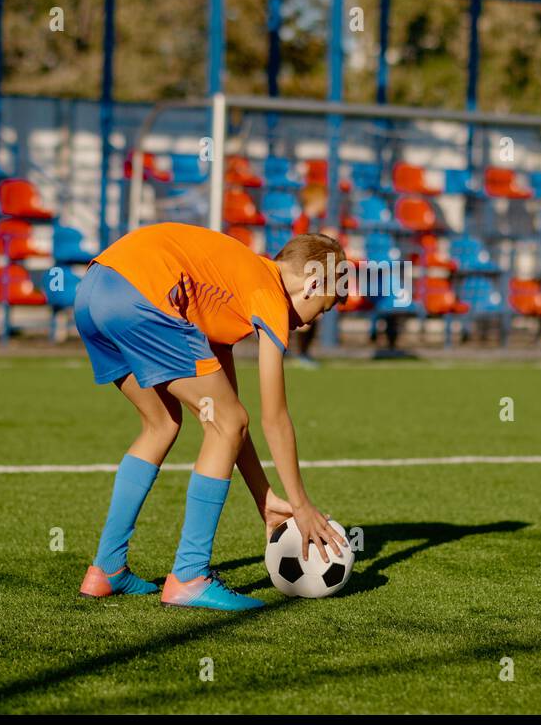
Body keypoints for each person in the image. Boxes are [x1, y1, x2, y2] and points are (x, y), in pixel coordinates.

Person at [73, 222, 348, 611]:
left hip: (94, 291)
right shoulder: (266, 290)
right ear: (312, 287)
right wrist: (301, 505)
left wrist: (264, 499)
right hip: (140, 295)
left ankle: (107, 569)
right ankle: (189, 576)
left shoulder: (228, 287)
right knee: (225, 421)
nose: (308, 322)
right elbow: (274, 417)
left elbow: (228, 418)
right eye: (322, 309)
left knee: (162, 424)